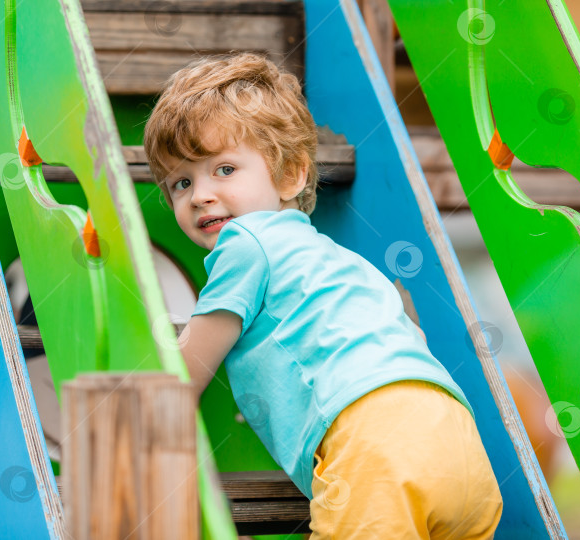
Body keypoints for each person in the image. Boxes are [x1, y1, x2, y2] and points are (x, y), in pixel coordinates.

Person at [143, 52, 503, 539]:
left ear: (290, 174)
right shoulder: (341, 261)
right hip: (457, 442)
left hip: (374, 445)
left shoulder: (245, 244)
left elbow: (188, 370)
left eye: (224, 170)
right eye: (180, 182)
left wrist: (131, 409)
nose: (200, 195)